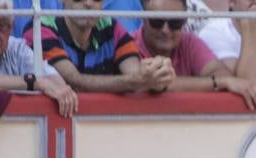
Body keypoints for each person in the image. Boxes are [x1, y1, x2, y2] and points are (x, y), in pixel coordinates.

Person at [132, 0, 256, 108]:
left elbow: (225, 76)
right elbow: (156, 84)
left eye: (175, 23)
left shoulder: (188, 41)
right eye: (157, 21)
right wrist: (221, 82)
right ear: (143, 20)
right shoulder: (129, 45)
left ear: (184, 22)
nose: (165, 30)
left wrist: (250, 25)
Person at [32, 0, 175, 94]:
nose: (88, 3)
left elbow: (136, 74)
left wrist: (155, 73)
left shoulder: (113, 27)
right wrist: (139, 80)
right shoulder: (41, 29)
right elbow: (73, 82)